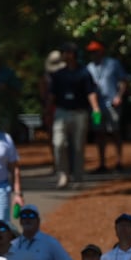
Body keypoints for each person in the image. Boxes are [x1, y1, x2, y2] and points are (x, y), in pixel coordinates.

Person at [44, 43, 100, 189]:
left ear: (72, 54)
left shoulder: (84, 73)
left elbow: (90, 92)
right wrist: (48, 111)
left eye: (66, 52)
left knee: (78, 146)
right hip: (61, 112)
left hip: (79, 112)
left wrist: (95, 109)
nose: (64, 55)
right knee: (58, 143)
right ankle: (63, 174)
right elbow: (52, 95)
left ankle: (78, 177)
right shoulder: (58, 75)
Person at [84, 40, 129, 172]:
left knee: (115, 131)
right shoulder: (89, 68)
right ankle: (102, 163)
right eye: (91, 52)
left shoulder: (113, 64)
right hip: (96, 107)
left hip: (112, 104)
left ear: (101, 51)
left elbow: (123, 81)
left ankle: (119, 161)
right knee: (98, 132)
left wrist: (119, 96)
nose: (93, 54)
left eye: (95, 51)